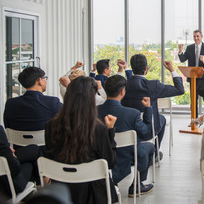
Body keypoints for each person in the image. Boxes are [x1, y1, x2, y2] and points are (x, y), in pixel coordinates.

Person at [45, 76, 118, 204]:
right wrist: (110, 131)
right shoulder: (98, 128)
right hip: (93, 192)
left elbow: (50, 156)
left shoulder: (51, 126)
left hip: (61, 189)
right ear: (91, 98)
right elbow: (110, 162)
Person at [97, 75, 155, 197]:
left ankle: (113, 183)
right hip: (128, 154)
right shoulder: (132, 113)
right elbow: (146, 134)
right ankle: (137, 185)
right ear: (122, 91)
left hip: (102, 154)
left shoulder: (95, 111)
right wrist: (148, 109)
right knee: (150, 147)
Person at [122, 55, 184, 150]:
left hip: (126, 130)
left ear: (132, 68)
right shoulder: (153, 86)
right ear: (146, 68)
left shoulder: (123, 86)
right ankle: (155, 152)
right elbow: (179, 90)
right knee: (161, 118)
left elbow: (131, 81)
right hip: (147, 132)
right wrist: (172, 70)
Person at [4, 67, 62, 131]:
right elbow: (70, 114)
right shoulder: (52, 102)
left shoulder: (10, 104)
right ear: (39, 81)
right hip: (45, 140)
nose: (46, 81)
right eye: (45, 78)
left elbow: (7, 126)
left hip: (16, 140)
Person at [178, 29, 204, 117]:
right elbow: (182, 59)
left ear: (201, 37)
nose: (196, 38)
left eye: (198, 36)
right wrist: (180, 51)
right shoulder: (189, 48)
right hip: (193, 78)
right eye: (194, 36)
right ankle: (194, 120)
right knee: (193, 99)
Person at [0, 126, 41, 199]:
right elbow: (14, 169)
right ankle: (43, 187)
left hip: (4, 165)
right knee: (30, 162)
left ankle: (42, 186)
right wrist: (10, 156)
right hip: (8, 187)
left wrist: (7, 149)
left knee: (34, 150)